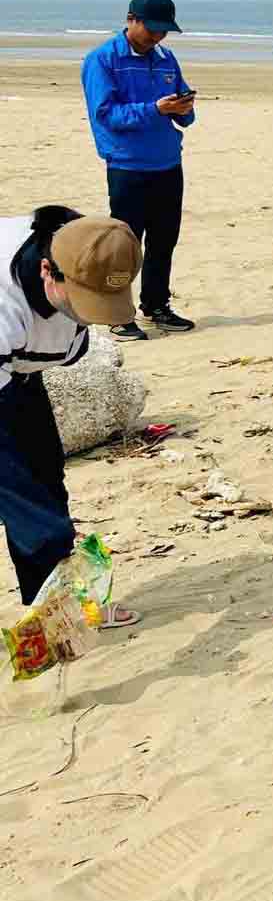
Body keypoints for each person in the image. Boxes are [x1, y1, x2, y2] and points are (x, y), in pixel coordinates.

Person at [1, 207, 143, 625]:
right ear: (47, 271)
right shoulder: (5, 304)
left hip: (17, 372)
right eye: (81, 302)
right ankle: (57, 606)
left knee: (47, 476)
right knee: (33, 510)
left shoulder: (94, 249)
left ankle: (54, 609)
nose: (88, 315)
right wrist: (46, 528)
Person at [81, 0, 197, 341]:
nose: (158, 37)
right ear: (132, 19)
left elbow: (184, 106)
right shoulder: (102, 59)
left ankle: (157, 305)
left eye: (164, 31)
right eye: (153, 29)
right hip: (127, 166)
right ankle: (117, 313)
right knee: (124, 245)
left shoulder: (166, 58)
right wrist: (155, 110)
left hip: (167, 163)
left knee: (164, 240)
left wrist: (184, 108)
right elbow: (105, 116)